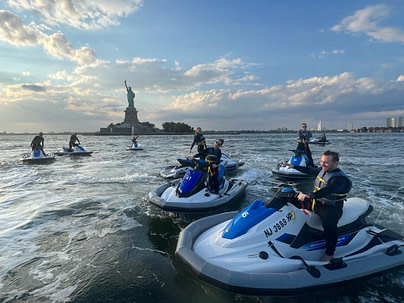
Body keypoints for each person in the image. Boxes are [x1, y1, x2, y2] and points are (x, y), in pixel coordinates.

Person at [283, 150, 352, 261]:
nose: (322, 164)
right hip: (316, 202)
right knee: (289, 200)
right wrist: (293, 166)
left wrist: (310, 196)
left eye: (326, 162)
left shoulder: (339, 179)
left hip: (331, 207)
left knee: (329, 226)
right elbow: (309, 170)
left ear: (335, 163)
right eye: (321, 161)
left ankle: (330, 253)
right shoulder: (322, 170)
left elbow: (328, 190)